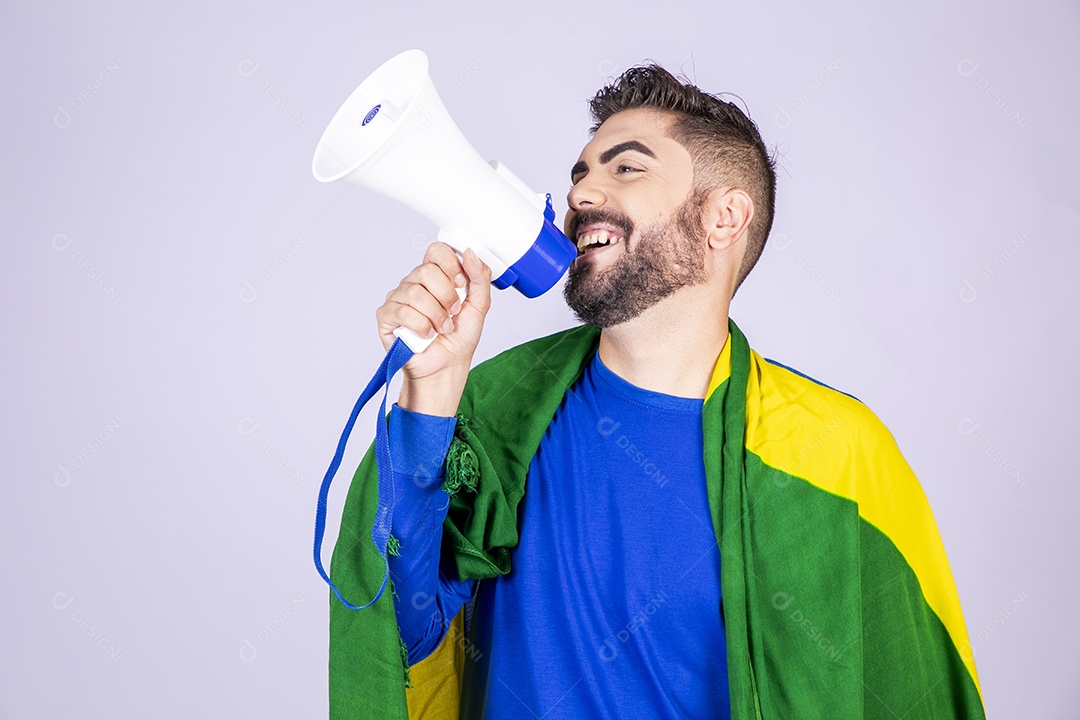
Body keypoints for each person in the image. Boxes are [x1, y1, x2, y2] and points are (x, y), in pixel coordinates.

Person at [328, 65, 985, 719]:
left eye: (626, 169)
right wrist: (433, 394)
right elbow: (402, 637)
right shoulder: (492, 415)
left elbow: (908, 691)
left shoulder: (836, 451)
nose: (582, 192)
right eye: (581, 172)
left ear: (724, 217)